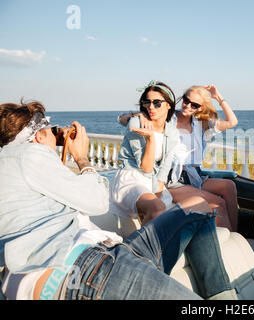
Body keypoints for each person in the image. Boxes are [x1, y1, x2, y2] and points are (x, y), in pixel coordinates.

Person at [0, 100, 236, 300]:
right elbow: (97, 201)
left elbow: (57, 199)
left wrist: (58, 153)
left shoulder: (15, 170)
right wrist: (82, 158)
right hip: (83, 269)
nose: (55, 136)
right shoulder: (28, 155)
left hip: (106, 253)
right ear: (39, 136)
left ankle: (222, 296)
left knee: (199, 209)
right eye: (51, 131)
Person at [119, 85, 239, 232]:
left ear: (200, 108)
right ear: (181, 99)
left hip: (194, 175)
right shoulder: (167, 117)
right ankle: (223, 242)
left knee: (229, 187)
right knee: (218, 203)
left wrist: (218, 97)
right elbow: (122, 118)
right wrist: (141, 115)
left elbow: (232, 122)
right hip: (173, 177)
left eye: (194, 105)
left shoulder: (200, 123)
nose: (188, 106)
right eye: (186, 100)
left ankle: (234, 234)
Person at [111, 81, 181, 225]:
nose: (151, 107)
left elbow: (164, 169)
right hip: (131, 177)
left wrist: (158, 193)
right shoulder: (136, 123)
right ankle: (140, 247)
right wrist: (150, 138)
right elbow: (145, 167)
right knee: (157, 209)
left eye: (157, 103)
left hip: (153, 181)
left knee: (168, 214)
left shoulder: (172, 132)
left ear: (168, 104)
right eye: (147, 102)